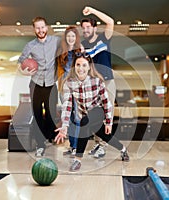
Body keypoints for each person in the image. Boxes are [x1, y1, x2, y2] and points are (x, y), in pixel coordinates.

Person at [54, 53, 129, 172]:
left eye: (84, 65)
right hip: (85, 114)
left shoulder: (97, 81)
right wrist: (64, 126)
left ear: (89, 67)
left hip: (98, 110)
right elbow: (67, 106)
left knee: (84, 122)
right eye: (78, 65)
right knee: (105, 136)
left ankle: (77, 160)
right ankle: (123, 149)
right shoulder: (69, 82)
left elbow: (106, 103)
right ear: (74, 66)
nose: (81, 68)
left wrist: (109, 122)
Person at [18, 16, 60, 157]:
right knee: (37, 115)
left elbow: (70, 45)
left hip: (51, 84)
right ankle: (40, 144)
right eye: (38, 28)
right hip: (36, 84)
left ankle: (49, 136)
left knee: (51, 114)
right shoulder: (30, 45)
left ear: (46, 27)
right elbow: (20, 62)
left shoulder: (56, 41)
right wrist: (23, 71)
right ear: (34, 29)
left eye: (42, 27)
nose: (40, 30)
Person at [80, 6, 116, 159]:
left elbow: (111, 21)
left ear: (94, 27)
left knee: (107, 114)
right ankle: (97, 143)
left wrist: (92, 11)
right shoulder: (83, 45)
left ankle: (103, 146)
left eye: (88, 27)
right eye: (84, 28)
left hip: (107, 82)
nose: (86, 30)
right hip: (93, 85)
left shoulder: (104, 38)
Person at [56, 26, 83, 157]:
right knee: (68, 117)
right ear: (65, 38)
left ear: (76, 38)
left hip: (77, 87)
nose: (71, 38)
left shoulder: (80, 50)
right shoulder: (61, 52)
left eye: (73, 36)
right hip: (64, 87)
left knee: (77, 117)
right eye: (68, 36)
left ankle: (77, 147)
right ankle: (72, 146)